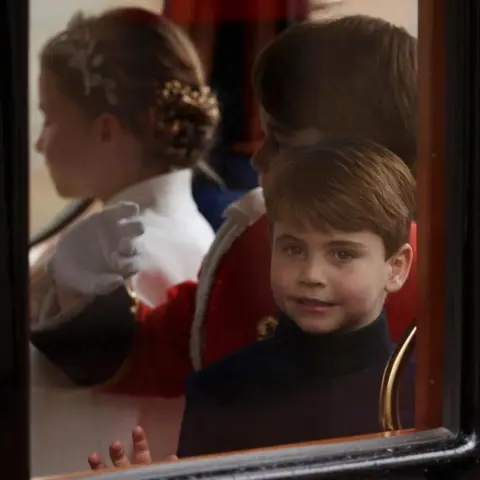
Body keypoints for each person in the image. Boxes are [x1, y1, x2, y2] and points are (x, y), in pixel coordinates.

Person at [31, 15, 418, 406]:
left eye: (281, 142)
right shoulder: (250, 249)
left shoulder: (443, 283)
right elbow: (152, 356)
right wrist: (83, 289)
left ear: (366, 156)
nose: (257, 160)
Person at [90, 135, 416, 466]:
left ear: (396, 268)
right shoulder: (220, 390)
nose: (312, 274)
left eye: (342, 253)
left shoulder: (425, 396)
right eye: (293, 249)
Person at [29, 7, 219, 476]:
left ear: (106, 129)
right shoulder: (183, 234)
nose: (39, 144)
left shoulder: (128, 256)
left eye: (49, 117)